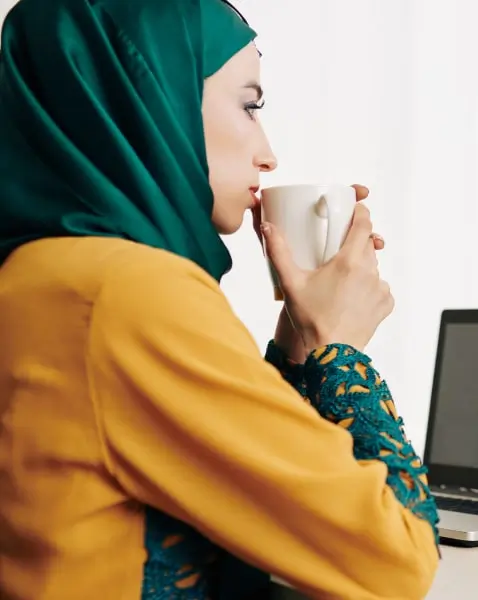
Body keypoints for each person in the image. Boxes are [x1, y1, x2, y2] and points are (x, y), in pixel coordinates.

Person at [0, 0, 440, 598]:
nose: (269, 153)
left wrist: (296, 344)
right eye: (249, 105)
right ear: (147, 97)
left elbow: (210, 467)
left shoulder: (41, 271)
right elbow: (397, 561)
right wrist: (340, 354)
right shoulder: (125, 292)